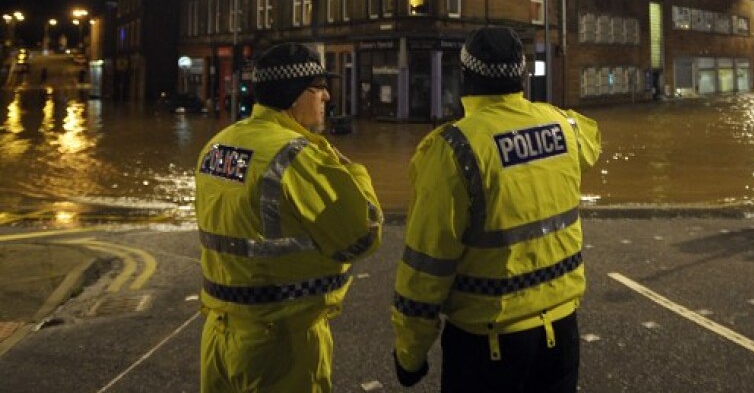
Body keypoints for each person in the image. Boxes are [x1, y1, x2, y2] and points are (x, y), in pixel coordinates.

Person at [392, 27, 602, 392]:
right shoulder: (564, 128)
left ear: (465, 77)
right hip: (561, 332)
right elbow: (592, 140)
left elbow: (425, 268)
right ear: (521, 76)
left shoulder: (452, 149)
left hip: (488, 345)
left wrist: (410, 354)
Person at [194, 43, 383, 393]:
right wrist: (353, 172)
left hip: (218, 336)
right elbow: (363, 235)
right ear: (296, 95)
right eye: (319, 87)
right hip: (282, 342)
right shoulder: (297, 156)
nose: (326, 96)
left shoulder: (217, 146)